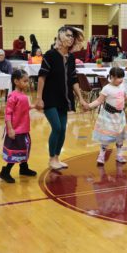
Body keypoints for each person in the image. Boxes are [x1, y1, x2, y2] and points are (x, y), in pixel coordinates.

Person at [34, 26, 88, 170]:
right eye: (69, 36)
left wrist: (81, 99)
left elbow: (73, 79)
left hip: (64, 98)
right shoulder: (50, 55)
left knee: (63, 129)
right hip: (50, 97)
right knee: (56, 127)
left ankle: (57, 158)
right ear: (61, 36)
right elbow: (42, 77)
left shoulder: (71, 57)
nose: (71, 39)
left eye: (73, 37)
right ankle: (51, 158)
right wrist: (39, 98)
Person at [86, 67, 127, 165]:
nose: (120, 80)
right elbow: (99, 101)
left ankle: (119, 155)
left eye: (121, 78)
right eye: (118, 78)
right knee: (106, 137)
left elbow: (125, 98)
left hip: (119, 116)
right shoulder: (107, 88)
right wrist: (89, 106)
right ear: (111, 77)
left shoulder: (122, 86)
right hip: (108, 116)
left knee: (120, 137)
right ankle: (101, 156)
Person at [0, 69, 37, 183]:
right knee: (15, 151)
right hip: (16, 130)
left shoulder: (22, 95)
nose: (27, 83)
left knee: (24, 148)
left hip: (24, 128)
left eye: (27, 81)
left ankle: (24, 168)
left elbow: (24, 108)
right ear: (16, 81)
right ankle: (5, 172)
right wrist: (10, 129)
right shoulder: (13, 96)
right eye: (25, 81)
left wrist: (34, 106)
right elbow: (8, 114)